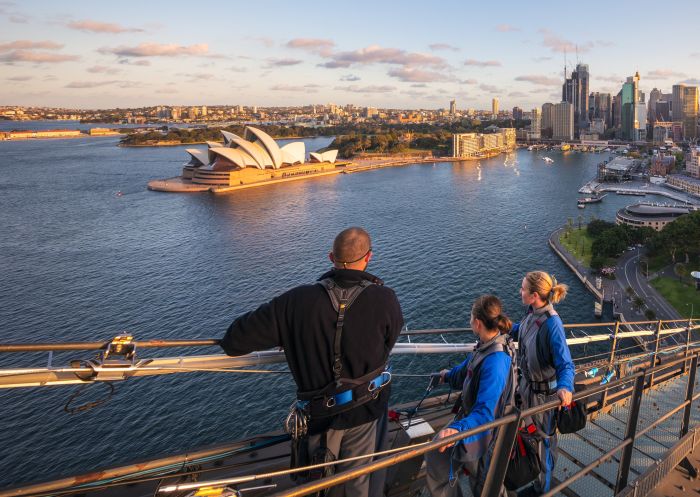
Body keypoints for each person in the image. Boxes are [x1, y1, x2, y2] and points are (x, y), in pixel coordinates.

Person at [220, 227, 404, 497]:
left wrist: (291, 333)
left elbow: (233, 341)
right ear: (369, 258)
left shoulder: (295, 302)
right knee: (359, 484)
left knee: (319, 485)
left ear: (331, 257)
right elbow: (389, 344)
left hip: (318, 418)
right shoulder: (385, 299)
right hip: (367, 413)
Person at [425, 295, 516, 497]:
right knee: (441, 459)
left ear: (477, 323)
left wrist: (457, 429)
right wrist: (446, 376)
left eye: (470, 317)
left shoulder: (496, 361)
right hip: (472, 423)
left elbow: (486, 413)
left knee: (485, 486)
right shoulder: (485, 345)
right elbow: (466, 371)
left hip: (485, 431)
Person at [512, 271, 575, 495]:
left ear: (534, 295)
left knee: (546, 443)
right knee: (532, 436)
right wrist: (506, 328)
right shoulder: (533, 314)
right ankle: (532, 474)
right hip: (528, 391)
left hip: (544, 398)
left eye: (523, 289)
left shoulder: (553, 324)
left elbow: (566, 364)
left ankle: (544, 490)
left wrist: (566, 388)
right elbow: (525, 331)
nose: (520, 291)